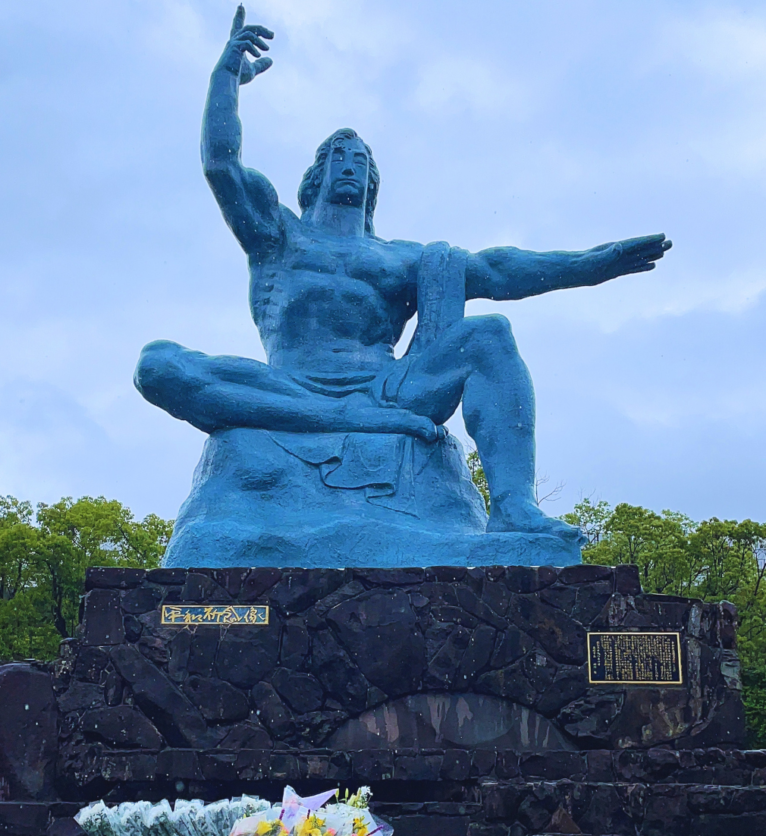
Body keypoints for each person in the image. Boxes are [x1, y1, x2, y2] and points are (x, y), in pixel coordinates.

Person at [135, 5, 671, 538]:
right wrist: (225, 76)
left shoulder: (402, 258)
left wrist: (589, 265)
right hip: (289, 385)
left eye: (362, 161)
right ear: (316, 174)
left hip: (387, 389)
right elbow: (220, 165)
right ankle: (347, 423)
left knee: (487, 336)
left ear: (372, 185)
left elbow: (497, 268)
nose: (351, 165)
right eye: (340, 156)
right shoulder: (279, 234)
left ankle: (513, 507)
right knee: (157, 365)